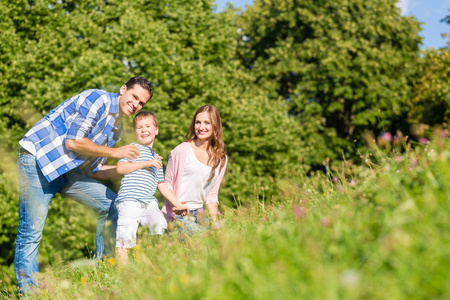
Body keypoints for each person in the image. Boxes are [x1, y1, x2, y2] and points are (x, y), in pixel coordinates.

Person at [15, 77, 153, 293]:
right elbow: (73, 141)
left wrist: (133, 168)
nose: (136, 105)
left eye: (142, 103)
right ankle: (29, 293)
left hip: (68, 172)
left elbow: (93, 170)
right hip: (38, 161)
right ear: (123, 89)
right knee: (31, 232)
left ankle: (104, 274)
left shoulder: (116, 129)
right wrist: (116, 153)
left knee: (113, 204)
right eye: (135, 97)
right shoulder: (96, 99)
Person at [114, 111, 188, 263]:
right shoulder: (133, 148)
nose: (144, 129)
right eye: (139, 127)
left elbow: (161, 185)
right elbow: (120, 168)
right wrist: (147, 163)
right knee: (125, 236)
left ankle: (154, 262)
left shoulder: (156, 157)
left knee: (160, 226)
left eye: (148, 126)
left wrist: (178, 204)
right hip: (130, 200)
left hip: (148, 201)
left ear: (156, 130)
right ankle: (122, 274)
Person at [161, 105, 228, 233]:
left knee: (217, 241)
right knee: (203, 240)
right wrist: (177, 205)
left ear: (215, 126)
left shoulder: (221, 159)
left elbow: (212, 195)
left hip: (200, 214)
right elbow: (167, 183)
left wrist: (215, 224)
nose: (201, 127)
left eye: (207, 123)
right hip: (177, 215)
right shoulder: (180, 151)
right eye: (198, 122)